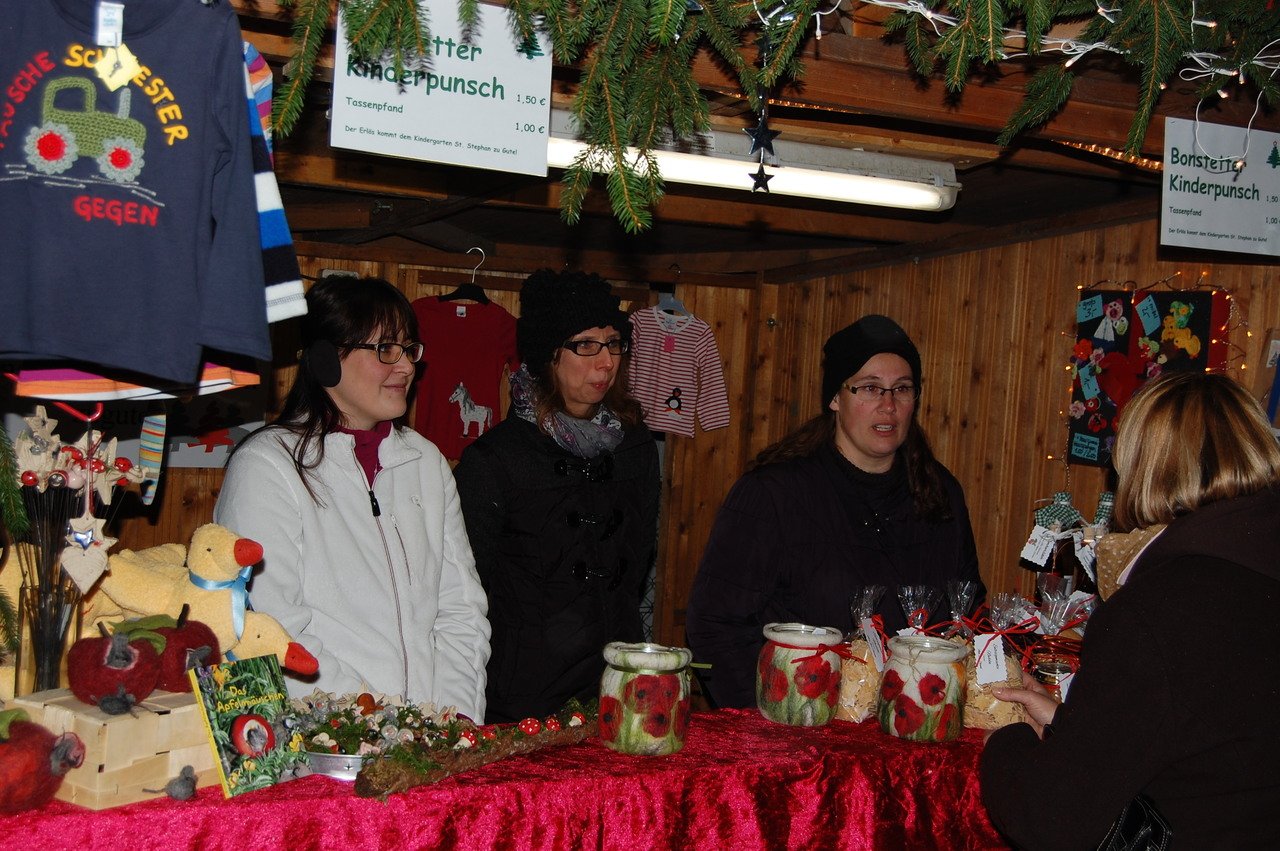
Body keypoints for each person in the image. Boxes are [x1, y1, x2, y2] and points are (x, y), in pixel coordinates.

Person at [981, 372, 1280, 849]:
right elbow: (1205, 742)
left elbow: (1049, 818)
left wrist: (1005, 740)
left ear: (1143, 470)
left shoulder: (1156, 610)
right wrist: (1069, 726)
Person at [214, 276, 490, 720]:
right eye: (386, 350)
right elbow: (271, 627)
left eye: (410, 349)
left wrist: (454, 720)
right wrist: (377, 724)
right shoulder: (267, 466)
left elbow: (461, 612)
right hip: (325, 737)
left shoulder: (426, 462)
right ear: (326, 360)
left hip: (429, 739)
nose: (406, 367)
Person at [684, 314, 983, 708]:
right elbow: (713, 625)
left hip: (919, 726)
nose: (888, 405)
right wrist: (764, 720)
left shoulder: (940, 494)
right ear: (835, 398)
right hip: (804, 728)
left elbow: (972, 612)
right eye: (870, 388)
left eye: (902, 389)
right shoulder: (774, 495)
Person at [453, 269, 660, 723]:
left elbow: (637, 562)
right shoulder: (495, 461)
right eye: (585, 345)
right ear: (548, 354)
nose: (605, 363)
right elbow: (468, 592)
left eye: (614, 344)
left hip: (617, 689)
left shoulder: (636, 448)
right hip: (525, 701)